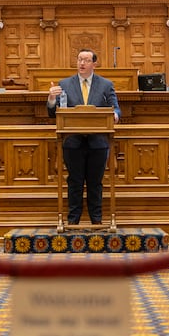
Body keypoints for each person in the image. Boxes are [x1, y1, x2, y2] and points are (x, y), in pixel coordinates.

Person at [47, 48, 121, 225]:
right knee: (75, 183)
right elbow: (53, 113)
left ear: (94, 63)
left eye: (86, 60)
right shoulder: (64, 84)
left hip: (98, 142)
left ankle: (97, 221)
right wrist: (50, 98)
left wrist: (115, 116)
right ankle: (73, 221)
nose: (82, 63)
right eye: (80, 59)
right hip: (73, 142)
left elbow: (116, 108)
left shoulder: (105, 85)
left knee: (95, 183)